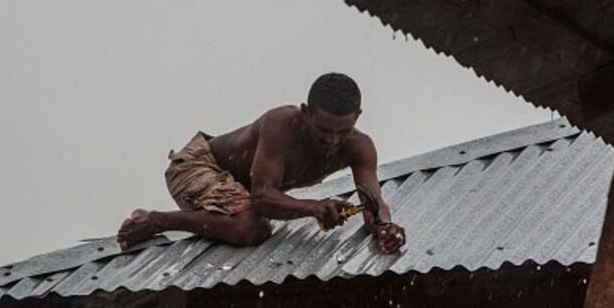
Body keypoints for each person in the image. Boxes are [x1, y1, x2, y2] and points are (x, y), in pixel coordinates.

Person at [116, 73, 406, 254]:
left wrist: (385, 228)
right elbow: (263, 198)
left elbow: (373, 202)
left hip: (246, 186)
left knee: (254, 221)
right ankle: (156, 220)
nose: (332, 141)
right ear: (306, 114)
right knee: (251, 227)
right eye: (324, 130)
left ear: (357, 117)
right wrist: (315, 207)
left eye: (342, 132)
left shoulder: (361, 147)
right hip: (198, 165)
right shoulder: (281, 124)